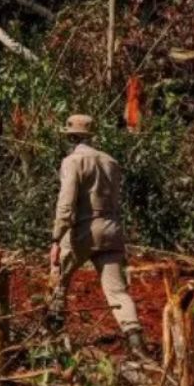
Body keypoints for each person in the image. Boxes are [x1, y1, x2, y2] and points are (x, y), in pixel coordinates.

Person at [48, 114, 148, 359]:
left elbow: (66, 203)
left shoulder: (73, 161)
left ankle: (52, 337)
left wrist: (56, 237)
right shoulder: (110, 161)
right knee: (117, 291)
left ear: (70, 137)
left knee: (58, 277)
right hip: (112, 230)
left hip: (83, 230)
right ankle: (136, 342)